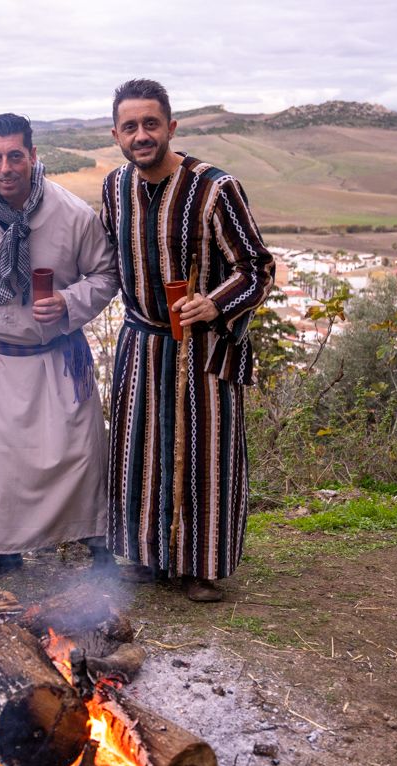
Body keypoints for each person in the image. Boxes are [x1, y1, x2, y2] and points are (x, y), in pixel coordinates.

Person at [102, 79, 275, 602]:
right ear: (116, 134)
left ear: (171, 127)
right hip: (141, 343)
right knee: (138, 450)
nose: (141, 134)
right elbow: (106, 260)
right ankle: (147, 557)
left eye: (151, 123)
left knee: (206, 451)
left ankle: (201, 567)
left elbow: (257, 269)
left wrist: (214, 302)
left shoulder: (216, 188)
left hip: (202, 349)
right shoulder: (113, 188)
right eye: (130, 126)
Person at [0, 113, 119, 576]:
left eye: (15, 155)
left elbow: (106, 274)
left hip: (53, 356)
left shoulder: (73, 213)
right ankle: (2, 548)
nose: (5, 167)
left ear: (34, 156)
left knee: (76, 454)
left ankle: (94, 540)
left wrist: (68, 301)